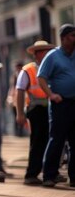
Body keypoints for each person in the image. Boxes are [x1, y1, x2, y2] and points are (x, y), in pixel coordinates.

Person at [37, 24, 75, 188]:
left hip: (74, 103)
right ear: (63, 38)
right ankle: (49, 176)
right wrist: (51, 95)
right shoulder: (53, 56)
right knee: (57, 140)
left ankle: (73, 177)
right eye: (73, 36)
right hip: (60, 104)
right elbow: (41, 78)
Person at [15, 40, 54, 185]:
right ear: (36, 54)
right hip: (36, 109)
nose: (47, 53)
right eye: (43, 51)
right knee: (38, 142)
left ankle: (51, 173)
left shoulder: (52, 67)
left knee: (52, 141)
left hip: (51, 107)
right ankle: (31, 174)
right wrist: (20, 113)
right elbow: (19, 91)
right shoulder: (28, 70)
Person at [8, 61, 25, 136]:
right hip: (15, 98)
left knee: (22, 114)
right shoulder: (14, 76)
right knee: (15, 115)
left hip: (23, 98)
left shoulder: (24, 75)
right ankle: (17, 132)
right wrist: (10, 97)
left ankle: (21, 131)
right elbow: (12, 87)